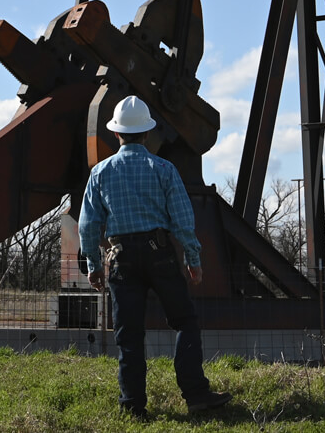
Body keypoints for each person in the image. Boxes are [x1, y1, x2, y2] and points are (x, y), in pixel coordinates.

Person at [78, 95, 232, 419]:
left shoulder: (100, 173)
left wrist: (93, 265)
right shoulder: (164, 169)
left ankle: (133, 407)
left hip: (120, 258)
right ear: (147, 134)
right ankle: (196, 394)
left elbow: (89, 225)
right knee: (184, 322)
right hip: (159, 252)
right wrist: (193, 258)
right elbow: (182, 218)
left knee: (129, 336)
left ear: (116, 134)